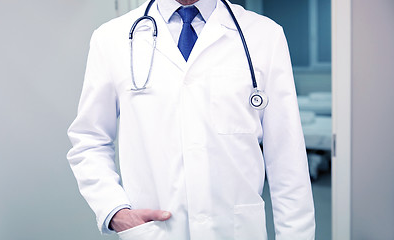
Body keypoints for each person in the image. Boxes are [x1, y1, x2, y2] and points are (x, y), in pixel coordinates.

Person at [67, 0, 315, 239]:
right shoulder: (112, 38)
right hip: (155, 231)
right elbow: (89, 140)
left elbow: (287, 157)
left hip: (236, 230)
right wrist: (115, 211)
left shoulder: (264, 35)